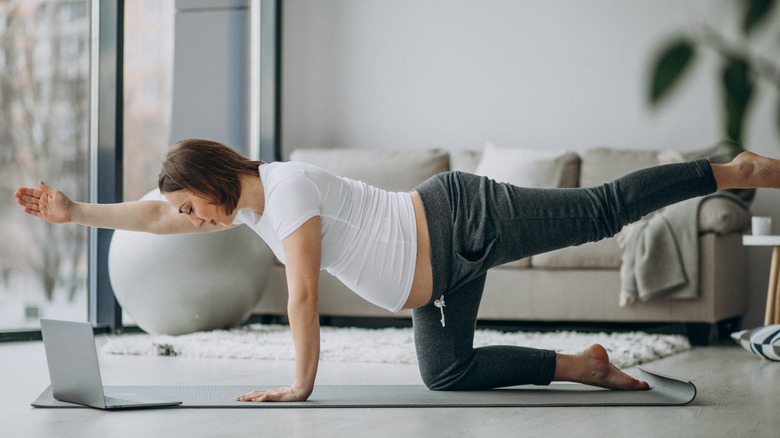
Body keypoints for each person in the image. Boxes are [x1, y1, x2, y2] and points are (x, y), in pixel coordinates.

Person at [14, 139, 780, 403]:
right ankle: (583, 364)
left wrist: (299, 383)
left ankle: (726, 171)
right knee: (443, 373)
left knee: (599, 211)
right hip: (439, 270)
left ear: (213, 182)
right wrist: (74, 211)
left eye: (189, 208)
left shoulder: (284, 193)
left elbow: (305, 294)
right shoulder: (243, 207)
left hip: (461, 220)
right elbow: (149, 215)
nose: (186, 220)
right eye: (184, 214)